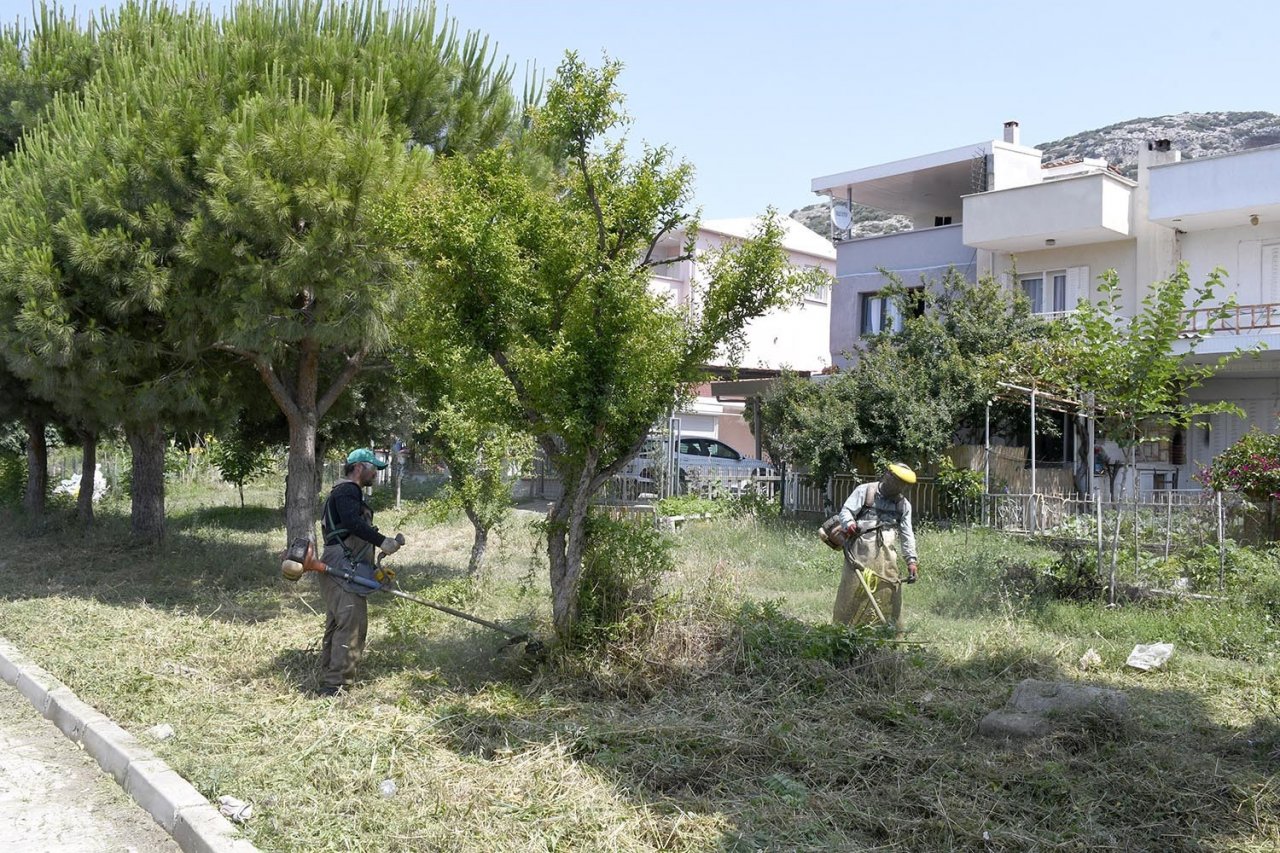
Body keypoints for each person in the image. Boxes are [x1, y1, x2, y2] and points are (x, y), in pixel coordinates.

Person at [316, 448, 404, 696]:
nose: (375, 473)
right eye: (373, 468)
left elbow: (349, 529)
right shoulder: (348, 490)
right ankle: (336, 686)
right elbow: (353, 524)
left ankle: (330, 677)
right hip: (341, 563)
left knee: (338, 623)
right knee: (352, 625)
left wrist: (376, 567)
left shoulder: (343, 491)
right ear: (358, 468)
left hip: (341, 562)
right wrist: (381, 540)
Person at [832, 463, 919, 632]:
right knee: (852, 591)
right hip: (859, 553)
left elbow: (907, 534)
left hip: (887, 557)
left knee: (888, 591)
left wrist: (911, 560)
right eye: (897, 481)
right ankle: (843, 631)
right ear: (887, 475)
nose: (899, 487)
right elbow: (846, 511)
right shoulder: (865, 491)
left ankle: (887, 631)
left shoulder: (903, 505)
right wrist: (849, 523)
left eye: (903, 484)